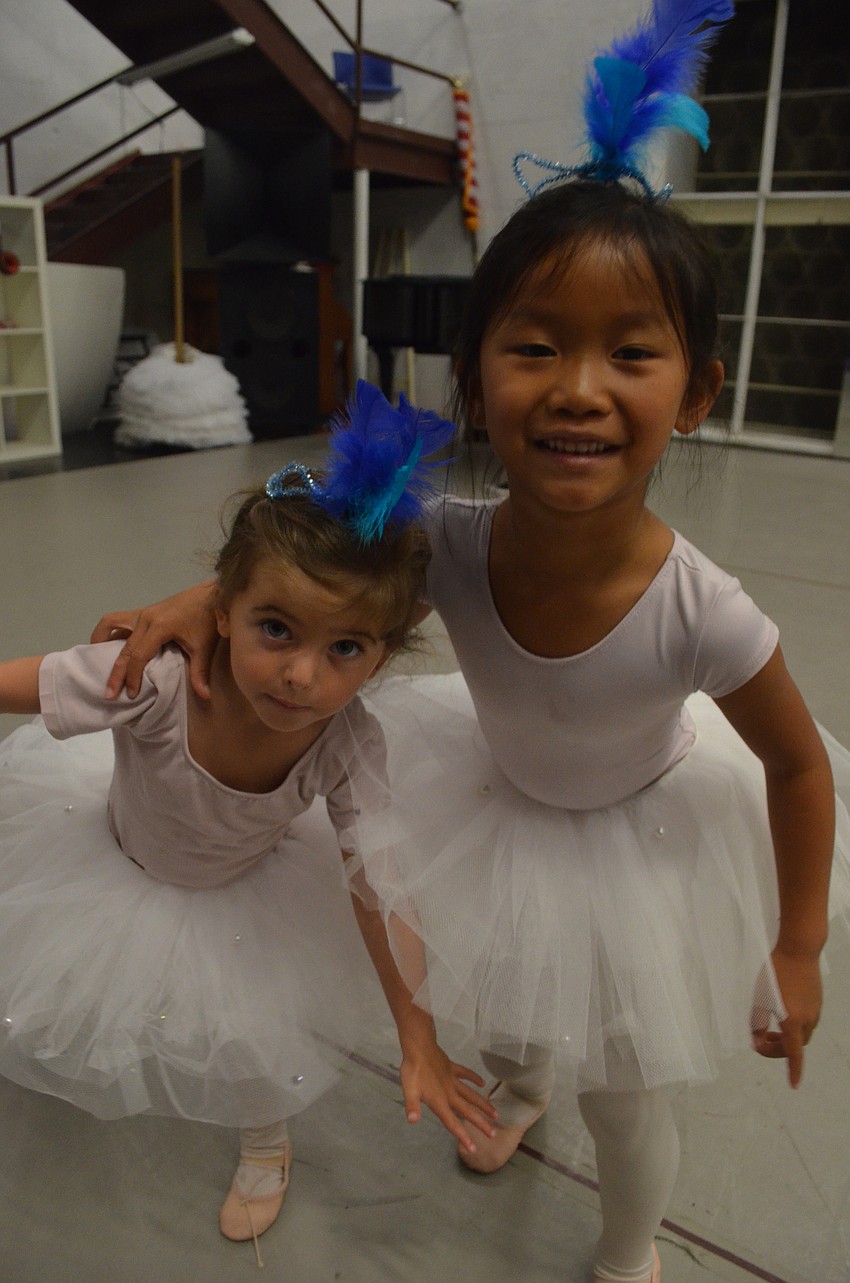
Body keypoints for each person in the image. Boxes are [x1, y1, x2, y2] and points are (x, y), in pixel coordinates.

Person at [84, 9, 850, 1282]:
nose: (579, 386)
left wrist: (798, 943)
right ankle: (521, 1088)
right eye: (535, 346)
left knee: (624, 1088)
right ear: (477, 375)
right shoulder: (441, 537)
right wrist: (194, 603)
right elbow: (302, 560)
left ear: (696, 394)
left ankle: (628, 1253)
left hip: (644, 826)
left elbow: (797, 764)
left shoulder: (701, 609)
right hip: (501, 794)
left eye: (631, 353)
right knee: (511, 1000)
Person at [0, 382, 495, 1266]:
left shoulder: (348, 743)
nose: (302, 675)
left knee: (251, 1026)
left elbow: (380, 885)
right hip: (116, 858)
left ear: (383, 656)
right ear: (218, 610)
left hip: (241, 882)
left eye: (345, 648)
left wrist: (418, 1030)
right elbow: (28, 682)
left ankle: (265, 1138)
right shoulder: (155, 680)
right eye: (276, 628)